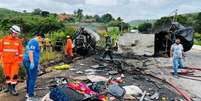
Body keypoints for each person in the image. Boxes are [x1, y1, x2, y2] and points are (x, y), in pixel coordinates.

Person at [0, 25, 24, 96]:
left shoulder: (18, 41)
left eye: (17, 34)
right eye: (15, 33)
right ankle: (9, 87)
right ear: (11, 32)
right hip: (6, 62)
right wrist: (1, 61)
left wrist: (19, 61)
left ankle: (13, 89)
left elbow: (20, 52)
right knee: (7, 75)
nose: (16, 35)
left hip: (15, 62)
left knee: (14, 75)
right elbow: (0, 51)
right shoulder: (3, 40)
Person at [23, 32, 44, 100]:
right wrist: (32, 62)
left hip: (27, 61)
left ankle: (28, 93)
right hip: (31, 62)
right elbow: (30, 52)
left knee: (29, 77)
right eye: (42, 39)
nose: (42, 41)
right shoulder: (34, 42)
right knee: (32, 78)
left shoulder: (31, 41)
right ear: (39, 37)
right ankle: (30, 95)